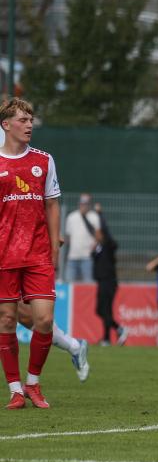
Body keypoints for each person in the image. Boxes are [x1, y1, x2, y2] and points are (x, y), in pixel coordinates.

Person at [0, 98, 61, 409]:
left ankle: (33, 383)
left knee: (45, 320)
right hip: (4, 256)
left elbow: (52, 204)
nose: (29, 125)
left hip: (38, 254)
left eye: (31, 120)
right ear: (6, 125)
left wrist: (54, 247)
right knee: (7, 320)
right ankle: (15, 390)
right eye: (22, 120)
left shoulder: (44, 160)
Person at [92, 204, 127, 346]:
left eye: (99, 233)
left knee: (105, 310)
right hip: (101, 282)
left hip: (109, 282)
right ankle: (117, 329)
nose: (97, 235)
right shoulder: (97, 249)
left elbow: (106, 231)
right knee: (100, 310)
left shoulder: (109, 246)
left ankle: (107, 338)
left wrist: (100, 214)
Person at [63, 193, 101, 282]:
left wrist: (94, 245)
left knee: (88, 284)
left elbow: (99, 236)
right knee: (69, 282)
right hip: (72, 257)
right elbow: (68, 236)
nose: (84, 206)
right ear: (79, 204)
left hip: (87, 257)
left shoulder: (94, 217)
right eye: (82, 203)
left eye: (86, 204)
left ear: (89, 204)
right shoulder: (71, 217)